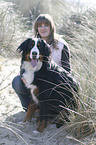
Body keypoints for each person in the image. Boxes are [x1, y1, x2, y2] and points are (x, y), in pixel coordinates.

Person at [12, 14, 71, 111]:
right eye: (40, 26)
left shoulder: (61, 45)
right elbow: (24, 63)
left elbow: (67, 70)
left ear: (51, 27)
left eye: (46, 25)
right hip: (34, 78)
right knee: (17, 81)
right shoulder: (31, 42)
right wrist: (23, 76)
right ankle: (29, 107)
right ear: (36, 28)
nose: (43, 28)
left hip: (53, 80)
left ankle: (52, 109)